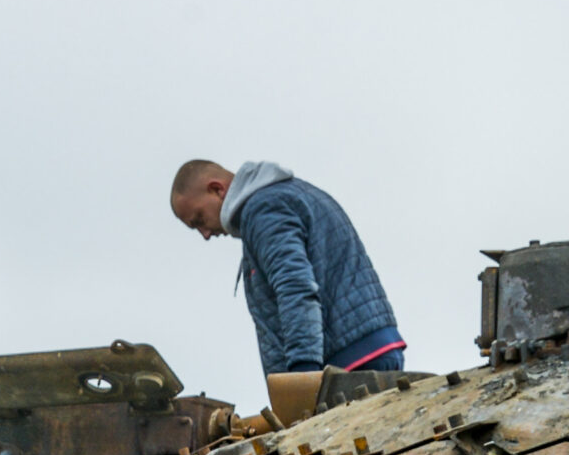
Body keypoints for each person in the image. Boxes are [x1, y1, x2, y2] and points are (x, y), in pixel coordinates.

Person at [170, 159, 405, 379]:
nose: (205, 234)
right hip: (365, 349)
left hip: (346, 364)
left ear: (217, 189)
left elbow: (295, 287)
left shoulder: (263, 210)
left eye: (199, 219)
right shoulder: (288, 195)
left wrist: (302, 375)